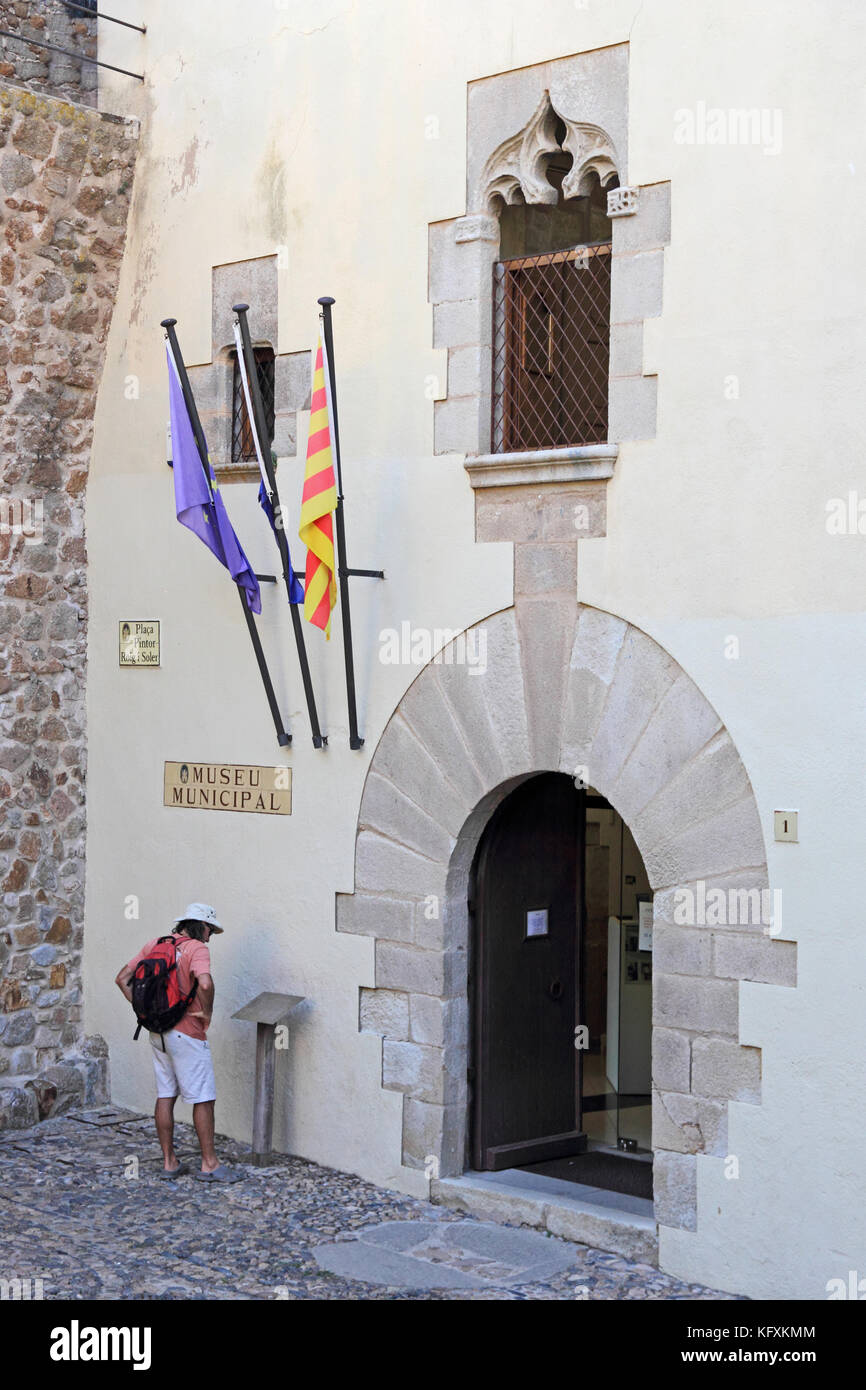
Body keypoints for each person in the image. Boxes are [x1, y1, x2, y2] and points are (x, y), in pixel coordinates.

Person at [115, 902, 243, 1183]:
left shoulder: (156, 943)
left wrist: (144, 1011)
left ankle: (169, 1162)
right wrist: (206, 1012)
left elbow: (122, 978)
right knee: (203, 1098)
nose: (210, 937)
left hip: (157, 1032)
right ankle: (209, 1164)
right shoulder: (197, 949)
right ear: (202, 926)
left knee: (165, 1094)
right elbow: (205, 984)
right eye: (210, 930)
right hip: (187, 1034)